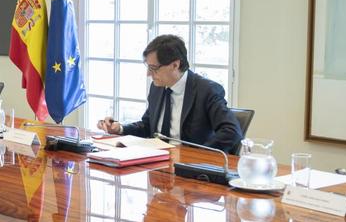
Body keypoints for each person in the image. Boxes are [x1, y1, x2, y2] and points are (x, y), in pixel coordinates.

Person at [97, 34, 243, 154]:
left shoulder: (207, 90)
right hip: (155, 163)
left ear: (175, 65)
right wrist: (120, 129)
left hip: (188, 169)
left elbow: (231, 131)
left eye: (154, 68)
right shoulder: (157, 88)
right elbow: (148, 126)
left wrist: (197, 154)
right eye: (148, 67)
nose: (149, 74)